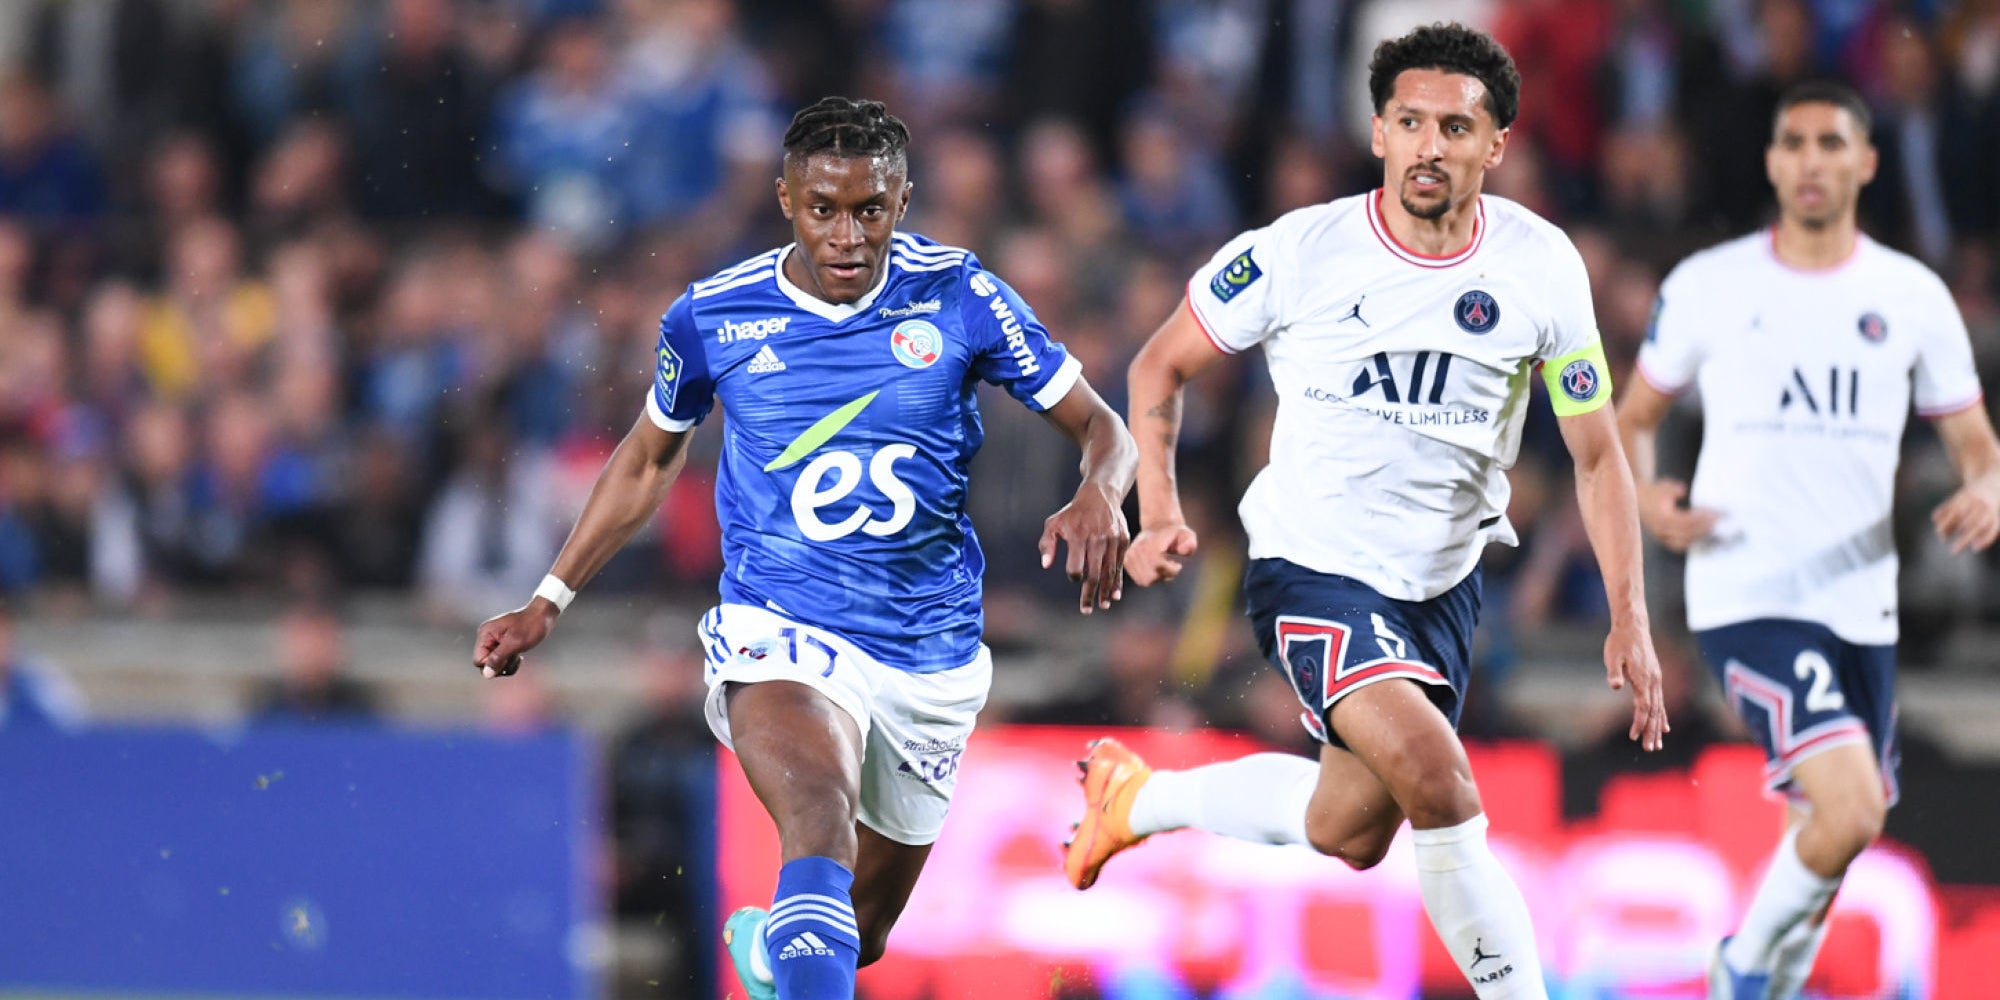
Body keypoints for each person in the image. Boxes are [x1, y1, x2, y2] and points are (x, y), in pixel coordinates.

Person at [473, 96, 1135, 1000]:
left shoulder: (963, 295)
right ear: (786, 198)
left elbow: (1102, 425)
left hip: (928, 651)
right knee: (818, 818)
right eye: (824, 208)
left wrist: (1100, 488)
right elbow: (644, 463)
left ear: (902, 203)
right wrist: (548, 597)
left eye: (871, 209)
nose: (849, 234)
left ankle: (778, 949)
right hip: (780, 626)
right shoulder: (713, 316)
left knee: (860, 933)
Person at [1061, 24, 1668, 1000]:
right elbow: (1156, 366)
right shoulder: (1299, 251)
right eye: (1409, 122)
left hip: (1442, 587)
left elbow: (1596, 452)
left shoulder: (1542, 266)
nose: (1430, 145)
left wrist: (1629, 616)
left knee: (1349, 828)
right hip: (1314, 566)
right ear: (1377, 132)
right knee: (1440, 779)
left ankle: (1140, 798)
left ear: (1494, 145)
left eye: (1455, 127)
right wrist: (1160, 507)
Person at [1617, 80, 2000, 1000]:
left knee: (1820, 839)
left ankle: (1771, 982)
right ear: (1773, 162)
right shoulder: (1710, 285)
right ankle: (1739, 972)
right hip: (1747, 591)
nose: (1812, 160)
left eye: (1832, 143)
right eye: (1794, 143)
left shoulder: (1910, 297)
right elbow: (1631, 420)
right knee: (1853, 808)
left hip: (1860, 602)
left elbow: (1975, 445)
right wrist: (1646, 497)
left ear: (1865, 163)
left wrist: (1988, 486)